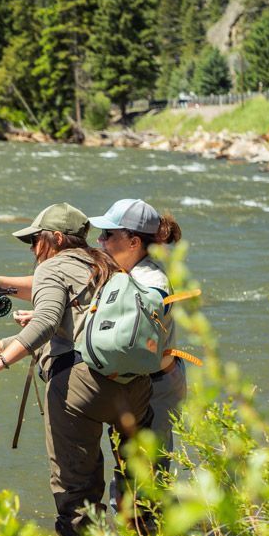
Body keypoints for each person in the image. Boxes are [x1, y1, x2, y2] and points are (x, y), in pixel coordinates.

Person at [0, 203, 153, 536]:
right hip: (134, 385)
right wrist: (0, 341)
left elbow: (47, 321)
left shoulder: (52, 268)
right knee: (135, 477)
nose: (33, 248)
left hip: (81, 389)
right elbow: (80, 328)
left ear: (58, 238)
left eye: (35, 240)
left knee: (76, 491)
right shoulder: (106, 264)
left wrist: (0, 361)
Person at [88, 198, 185, 463]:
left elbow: (150, 308)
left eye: (108, 234)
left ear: (133, 242)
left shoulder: (152, 281)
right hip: (137, 381)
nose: (100, 240)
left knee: (149, 473)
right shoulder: (124, 270)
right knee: (127, 467)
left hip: (156, 386)